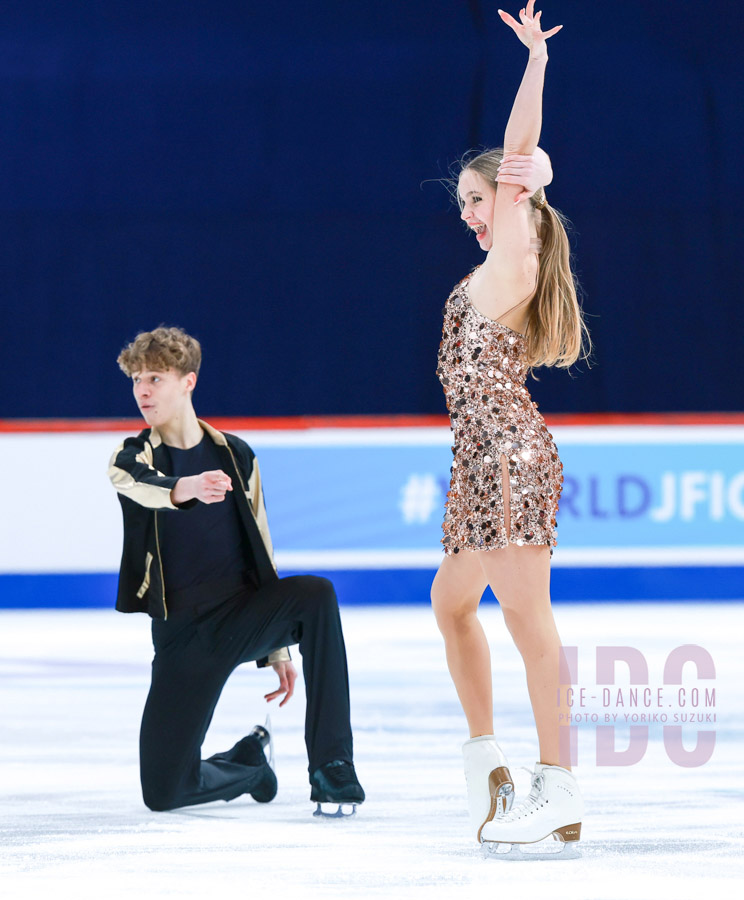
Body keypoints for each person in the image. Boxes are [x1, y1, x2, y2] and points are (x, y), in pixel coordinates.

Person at [431, 3, 589, 857]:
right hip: (477, 458)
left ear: (513, 194)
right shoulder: (490, 264)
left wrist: (535, 62)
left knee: (530, 620)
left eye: (477, 196)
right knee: (450, 602)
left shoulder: (515, 251)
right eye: (461, 201)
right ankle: (488, 763)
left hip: (510, 454)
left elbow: (520, 149)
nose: (468, 211)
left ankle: (557, 786)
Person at [108, 326, 365, 817]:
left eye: (155, 378)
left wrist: (276, 648)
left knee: (316, 595)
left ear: (188, 381)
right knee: (163, 792)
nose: (142, 390)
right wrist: (187, 487)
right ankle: (249, 765)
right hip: (182, 636)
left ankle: (332, 766)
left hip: (242, 615)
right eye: (137, 379)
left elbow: (261, 546)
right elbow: (135, 483)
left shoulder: (236, 454)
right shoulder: (133, 454)